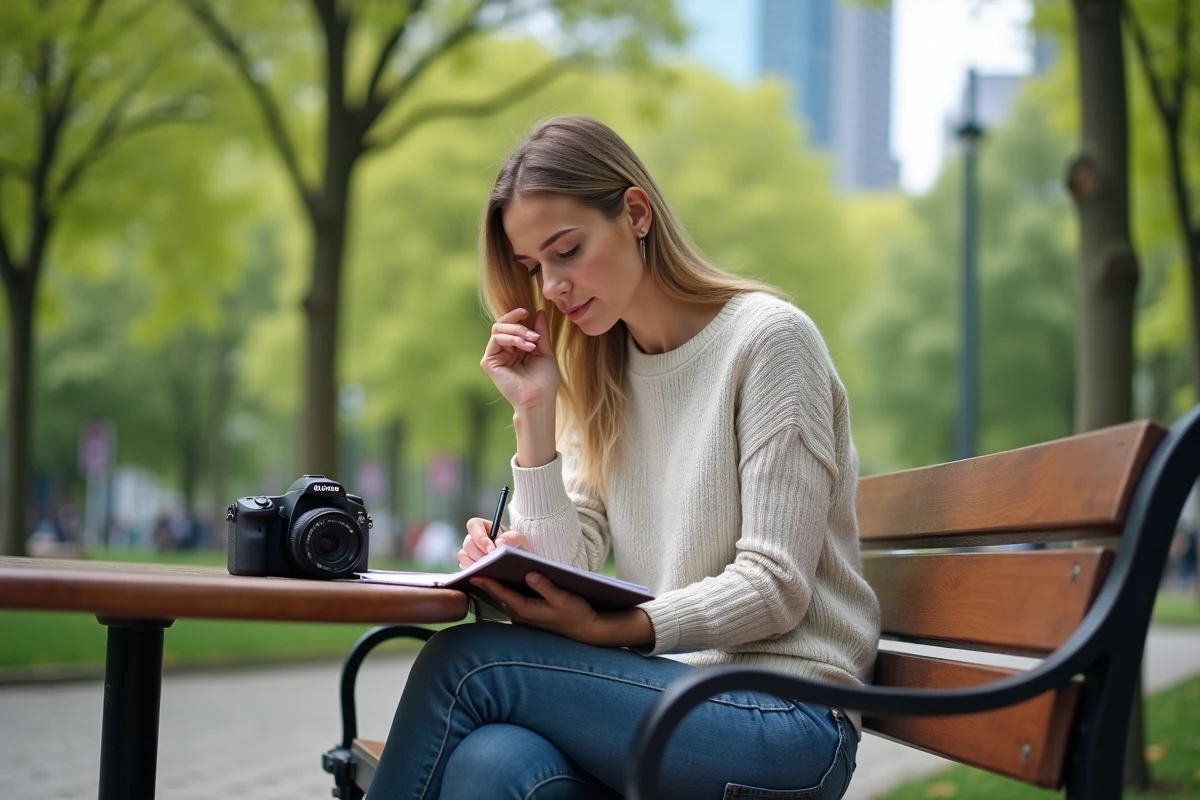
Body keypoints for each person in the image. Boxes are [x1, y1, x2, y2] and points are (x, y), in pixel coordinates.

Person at [368, 116, 881, 800]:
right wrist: (535, 415)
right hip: (669, 703)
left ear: (635, 212)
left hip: (785, 719)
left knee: (466, 665)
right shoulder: (606, 373)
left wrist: (619, 629)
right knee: (490, 762)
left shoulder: (769, 342)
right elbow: (569, 567)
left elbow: (774, 585)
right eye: (534, 268)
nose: (550, 285)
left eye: (567, 251)